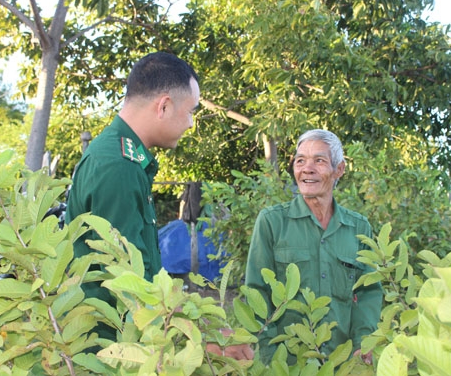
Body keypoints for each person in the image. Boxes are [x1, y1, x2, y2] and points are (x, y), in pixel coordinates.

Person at [65, 52, 252, 361]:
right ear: (164, 105)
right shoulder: (118, 166)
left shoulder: (126, 158)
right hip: (110, 347)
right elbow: (129, 280)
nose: (192, 123)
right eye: (191, 111)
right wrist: (200, 336)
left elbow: (146, 266)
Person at [245, 129, 383, 365]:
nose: (307, 169)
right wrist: (271, 359)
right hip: (287, 364)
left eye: (319, 161)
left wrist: (363, 344)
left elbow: (368, 293)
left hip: (343, 363)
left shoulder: (359, 228)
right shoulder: (272, 222)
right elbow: (257, 291)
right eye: (300, 161)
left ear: (339, 170)